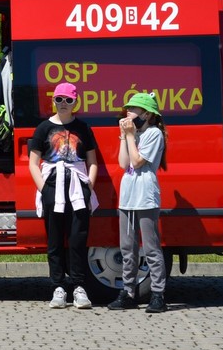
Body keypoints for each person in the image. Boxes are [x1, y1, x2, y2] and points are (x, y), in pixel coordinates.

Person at [28, 81, 99, 310]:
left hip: (77, 188)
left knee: (78, 239)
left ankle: (79, 287)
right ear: (53, 100)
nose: (63, 103)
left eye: (68, 100)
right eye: (59, 99)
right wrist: (44, 189)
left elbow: (92, 162)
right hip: (52, 187)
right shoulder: (43, 128)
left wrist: (88, 187)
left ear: (75, 101)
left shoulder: (83, 128)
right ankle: (58, 287)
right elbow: (33, 163)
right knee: (55, 241)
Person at [109, 92, 169, 314]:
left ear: (147, 114)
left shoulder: (153, 134)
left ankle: (158, 294)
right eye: (128, 108)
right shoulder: (133, 135)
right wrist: (124, 137)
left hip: (145, 197)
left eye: (133, 109)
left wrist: (130, 136)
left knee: (151, 248)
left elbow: (137, 161)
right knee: (127, 248)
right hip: (128, 197)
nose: (128, 112)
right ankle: (128, 292)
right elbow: (124, 163)